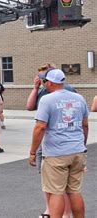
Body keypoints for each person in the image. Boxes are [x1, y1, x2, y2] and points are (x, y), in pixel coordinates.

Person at [29, 68, 89, 218]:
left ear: (50, 83)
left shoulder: (46, 100)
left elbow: (40, 127)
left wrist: (32, 151)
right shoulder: (79, 98)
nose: (43, 83)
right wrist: (82, 145)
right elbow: (85, 125)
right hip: (77, 150)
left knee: (56, 192)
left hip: (56, 153)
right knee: (74, 191)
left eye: (44, 81)